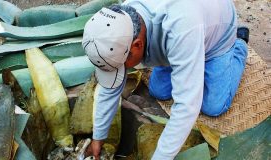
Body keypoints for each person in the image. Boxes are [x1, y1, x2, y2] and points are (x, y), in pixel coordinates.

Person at [82, 0, 249, 159]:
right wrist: (98, 137)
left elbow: (187, 106)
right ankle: (183, 56)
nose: (122, 71)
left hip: (218, 34)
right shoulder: (120, 20)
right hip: (181, 40)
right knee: (158, 91)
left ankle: (239, 43)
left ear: (138, 45)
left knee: (213, 106)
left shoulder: (182, 27)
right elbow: (111, 87)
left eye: (122, 66)